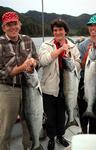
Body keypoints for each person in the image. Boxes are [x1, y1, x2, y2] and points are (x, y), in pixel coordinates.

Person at [0, 11, 43, 150]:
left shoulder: (28, 39)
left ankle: (31, 146)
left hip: (30, 88)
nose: (13, 27)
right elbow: (2, 73)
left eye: (15, 24)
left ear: (20, 25)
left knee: (28, 123)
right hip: (8, 90)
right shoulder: (0, 44)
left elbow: (37, 60)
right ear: (4, 27)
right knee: (5, 127)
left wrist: (34, 63)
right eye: (9, 24)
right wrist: (22, 67)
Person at [39, 18, 81, 150]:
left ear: (65, 31)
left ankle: (61, 136)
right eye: (55, 30)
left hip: (68, 88)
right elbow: (43, 61)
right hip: (49, 88)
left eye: (60, 30)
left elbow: (79, 64)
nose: (57, 32)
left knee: (61, 115)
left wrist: (72, 62)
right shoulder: (46, 45)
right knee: (50, 117)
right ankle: (51, 138)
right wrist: (60, 50)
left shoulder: (73, 46)